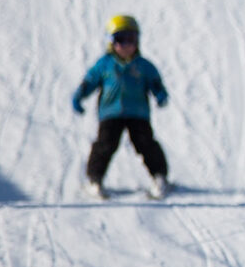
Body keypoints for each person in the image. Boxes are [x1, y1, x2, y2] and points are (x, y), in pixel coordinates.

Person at [72, 13, 171, 199]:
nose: (126, 45)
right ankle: (94, 179)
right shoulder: (105, 65)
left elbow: (155, 83)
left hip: (138, 112)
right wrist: (79, 96)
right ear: (111, 42)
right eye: (120, 39)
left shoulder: (143, 65)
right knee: (105, 144)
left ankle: (159, 176)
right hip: (110, 112)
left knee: (146, 143)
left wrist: (160, 95)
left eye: (131, 39)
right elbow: (90, 82)